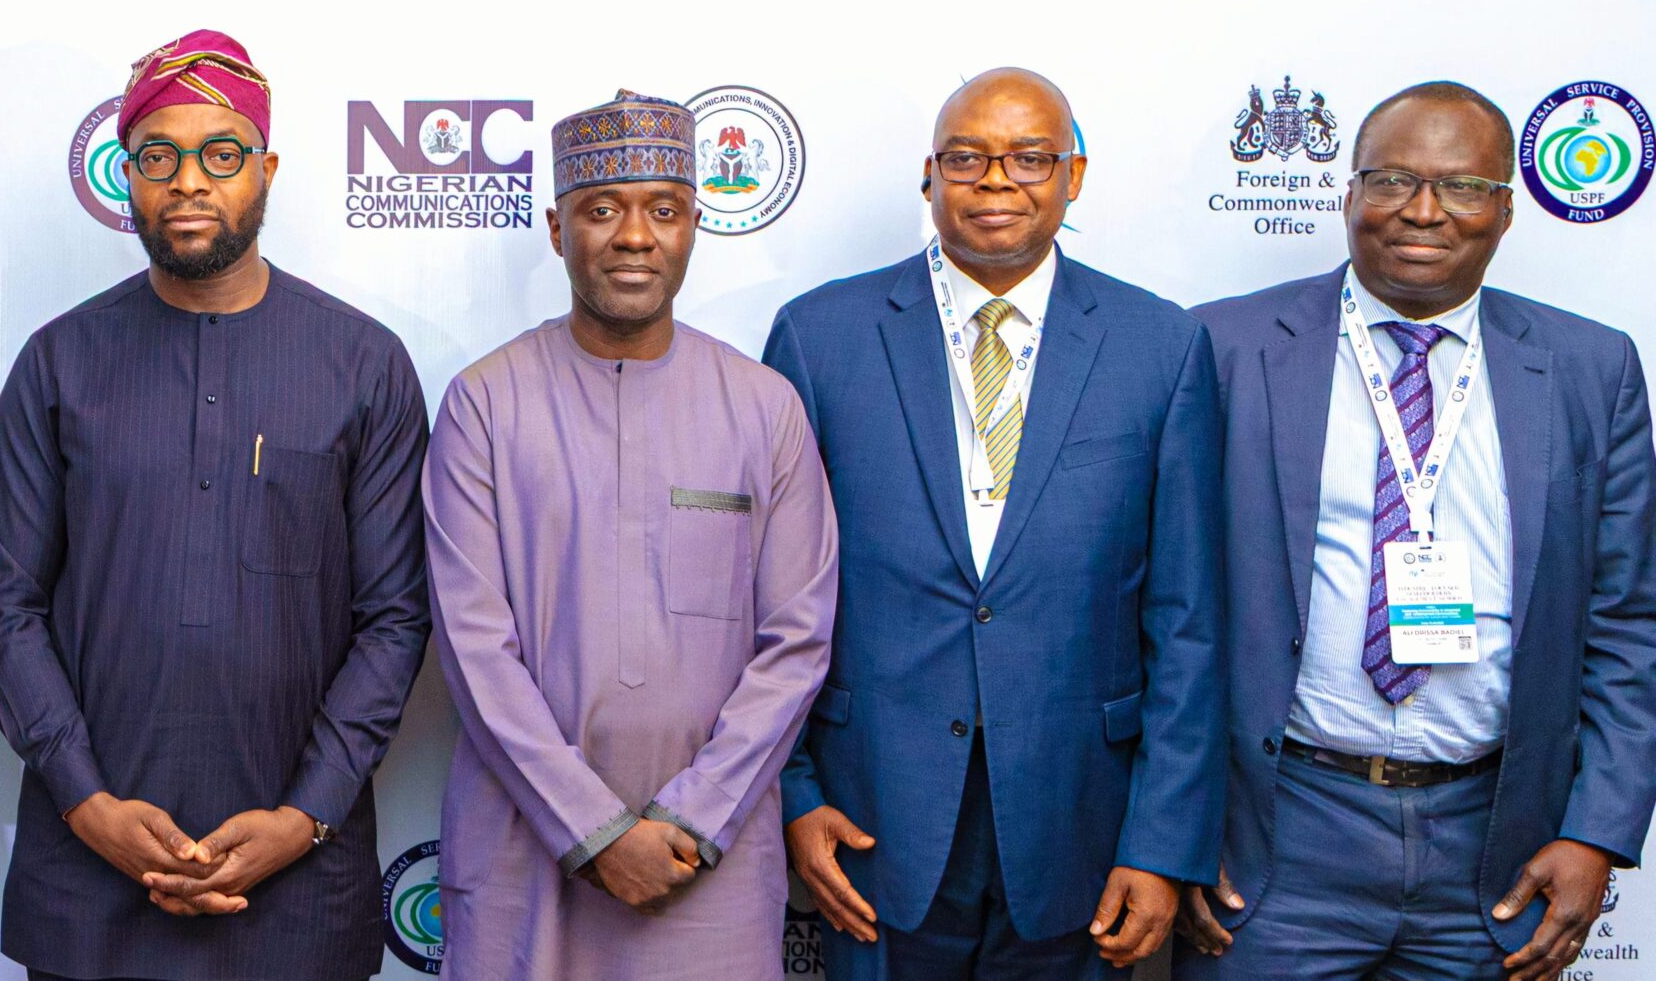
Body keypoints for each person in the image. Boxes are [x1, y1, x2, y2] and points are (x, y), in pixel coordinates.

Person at [0, 29, 432, 981]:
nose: (188, 182)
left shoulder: (364, 365)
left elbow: (395, 617)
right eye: (159, 157)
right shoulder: (59, 363)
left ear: (266, 169)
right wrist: (87, 801)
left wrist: (304, 814)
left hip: (301, 882)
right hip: (89, 875)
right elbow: (5, 603)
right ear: (126, 175)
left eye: (221, 155)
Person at [1176, 82, 1656, 981]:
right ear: (1348, 194)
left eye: (1463, 186)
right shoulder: (1223, 348)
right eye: (1393, 179)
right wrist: (1174, 830)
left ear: (1506, 210)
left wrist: (1598, 830)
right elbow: (1163, 608)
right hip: (1277, 834)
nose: (1424, 210)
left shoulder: (1592, 368)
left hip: (1497, 844)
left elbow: (1628, 623)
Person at [765, 68, 1225, 979]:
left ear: (1073, 176)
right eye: (968, 158)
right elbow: (769, 593)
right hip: (872, 816)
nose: (997, 181)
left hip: (1082, 822)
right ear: (929, 174)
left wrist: (1163, 840)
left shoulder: (1160, 345)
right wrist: (794, 792)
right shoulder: (820, 336)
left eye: (1029, 158)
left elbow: (1188, 619)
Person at [422, 90, 839, 980]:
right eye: (602, 209)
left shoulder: (764, 408)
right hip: (524, 847)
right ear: (556, 228)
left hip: (707, 863)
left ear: (695, 227)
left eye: (664, 209)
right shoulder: (484, 403)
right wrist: (595, 830)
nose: (635, 237)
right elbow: (474, 650)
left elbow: (797, 641)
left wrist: (691, 819)